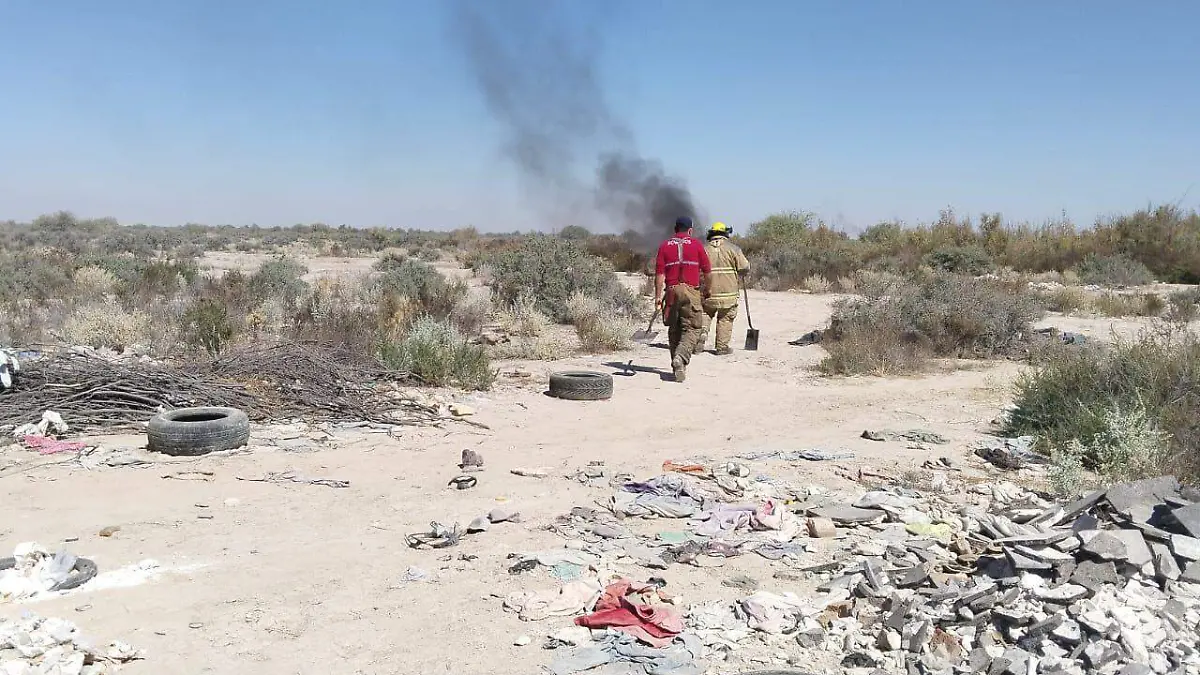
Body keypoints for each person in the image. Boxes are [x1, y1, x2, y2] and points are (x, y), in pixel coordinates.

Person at [654, 216, 711, 383]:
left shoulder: (664, 246)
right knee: (693, 328)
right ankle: (681, 356)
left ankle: (678, 367)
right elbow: (708, 272)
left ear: (675, 229)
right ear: (690, 230)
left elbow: (659, 275)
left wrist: (658, 297)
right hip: (690, 291)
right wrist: (707, 290)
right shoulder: (696, 245)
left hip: (671, 292)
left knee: (674, 329)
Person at [699, 222, 751, 355]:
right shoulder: (734, 249)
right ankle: (722, 347)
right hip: (729, 294)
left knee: (705, 314)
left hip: (708, 292)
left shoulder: (703, 249)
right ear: (725, 234)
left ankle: (700, 337)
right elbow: (744, 267)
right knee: (725, 318)